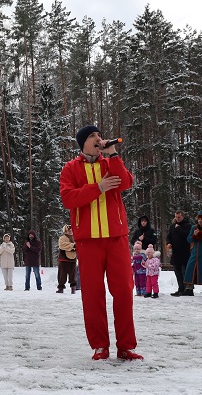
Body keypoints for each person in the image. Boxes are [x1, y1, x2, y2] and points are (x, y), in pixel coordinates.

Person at [59, 125, 142, 361]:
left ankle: (126, 346)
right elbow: (68, 198)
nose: (98, 138)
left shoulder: (109, 162)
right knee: (93, 295)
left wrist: (113, 154)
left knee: (124, 291)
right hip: (88, 241)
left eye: (99, 135)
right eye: (93, 136)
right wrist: (98, 188)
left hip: (116, 237)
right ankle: (100, 346)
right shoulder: (70, 168)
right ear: (83, 142)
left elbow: (126, 183)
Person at [166, 210, 192, 296]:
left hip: (184, 253)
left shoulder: (188, 225)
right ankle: (180, 288)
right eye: (176, 217)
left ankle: (187, 289)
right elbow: (168, 236)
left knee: (184, 272)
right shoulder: (172, 226)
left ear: (183, 217)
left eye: (179, 217)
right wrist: (168, 243)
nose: (177, 219)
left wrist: (179, 229)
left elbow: (187, 236)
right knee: (177, 272)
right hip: (175, 253)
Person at [57, 225, 77, 294]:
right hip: (63, 259)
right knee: (62, 274)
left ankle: (73, 288)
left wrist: (74, 247)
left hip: (73, 259)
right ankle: (61, 288)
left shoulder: (75, 238)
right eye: (69, 230)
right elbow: (62, 245)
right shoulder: (62, 238)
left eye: (71, 230)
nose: (71, 231)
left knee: (72, 275)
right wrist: (72, 246)